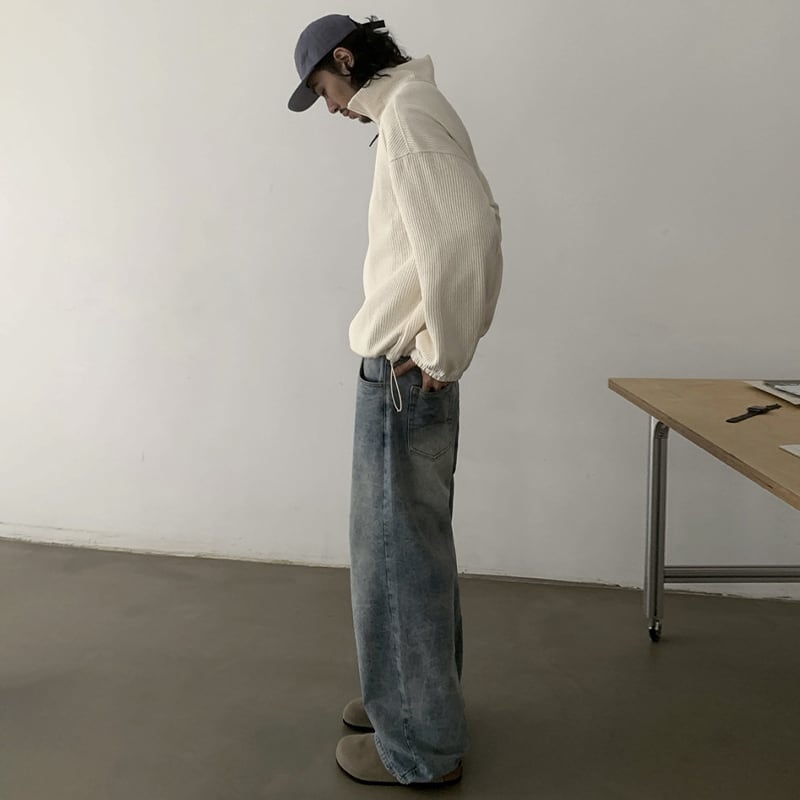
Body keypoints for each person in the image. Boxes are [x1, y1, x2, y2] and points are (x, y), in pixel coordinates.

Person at [288, 13, 502, 787]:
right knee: (409, 545)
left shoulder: (408, 115)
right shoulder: (415, 108)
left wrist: (442, 350)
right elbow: (459, 230)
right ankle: (416, 703)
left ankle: (417, 743)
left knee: (396, 552)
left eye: (325, 88)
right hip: (409, 368)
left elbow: (469, 233)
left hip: (407, 373)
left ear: (346, 59)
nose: (331, 107)